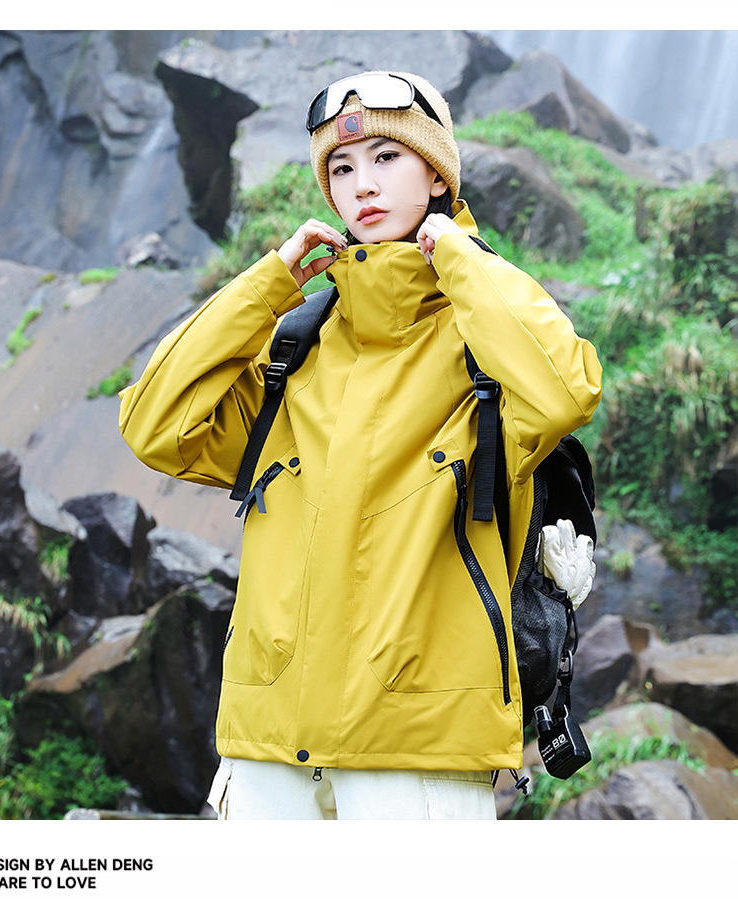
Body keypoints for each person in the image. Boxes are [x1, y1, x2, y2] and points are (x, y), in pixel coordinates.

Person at [119, 71, 602, 820]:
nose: (361, 185)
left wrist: (463, 260)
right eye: (340, 169)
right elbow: (154, 423)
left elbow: (567, 389)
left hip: (417, 749)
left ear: (437, 175)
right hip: (268, 746)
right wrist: (268, 285)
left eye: (386, 158)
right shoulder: (296, 348)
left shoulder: (485, 345)